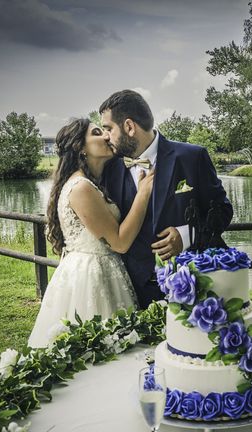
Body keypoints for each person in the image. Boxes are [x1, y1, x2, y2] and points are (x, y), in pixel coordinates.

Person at [28, 118, 155, 348]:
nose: (107, 136)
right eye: (97, 132)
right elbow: (119, 243)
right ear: (81, 147)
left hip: (103, 269)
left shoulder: (90, 182)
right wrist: (143, 194)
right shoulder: (82, 188)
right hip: (91, 277)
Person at [100, 89, 233, 308]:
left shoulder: (192, 157)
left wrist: (186, 236)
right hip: (133, 290)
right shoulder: (109, 168)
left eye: (109, 129)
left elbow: (223, 211)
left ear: (129, 127)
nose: (106, 136)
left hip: (193, 284)